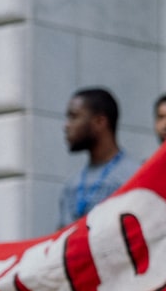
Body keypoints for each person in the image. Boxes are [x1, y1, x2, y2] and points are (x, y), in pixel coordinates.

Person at [59, 87, 141, 227]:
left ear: (100, 122)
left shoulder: (134, 175)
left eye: (74, 117)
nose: (66, 126)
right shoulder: (71, 184)